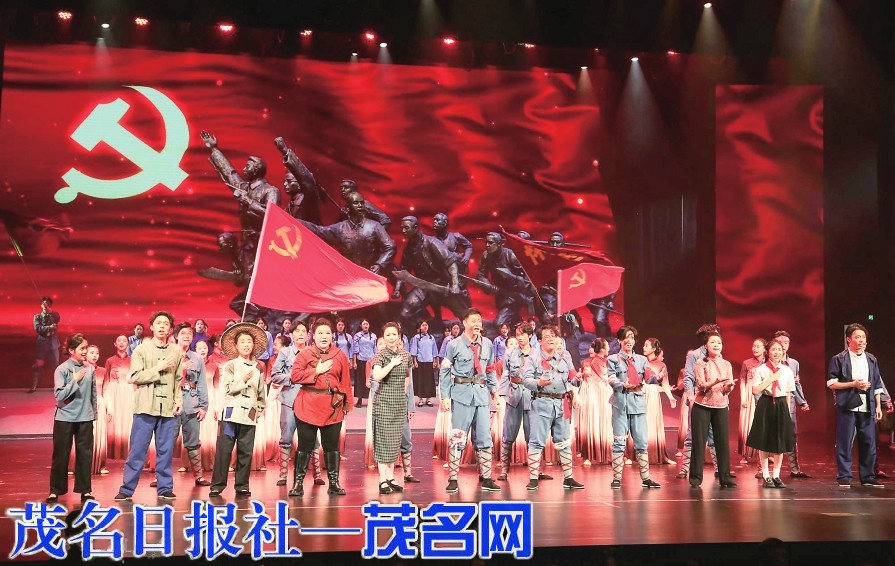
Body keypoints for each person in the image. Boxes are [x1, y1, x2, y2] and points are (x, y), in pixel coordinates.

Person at [114, 312, 184, 501]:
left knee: (165, 451)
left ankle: (165, 487)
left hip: (167, 407)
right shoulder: (141, 350)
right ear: (151, 327)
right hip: (145, 406)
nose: (162, 326)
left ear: (170, 329)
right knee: (137, 450)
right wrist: (158, 368)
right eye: (158, 323)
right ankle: (127, 489)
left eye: (166, 323)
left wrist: (178, 400)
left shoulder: (176, 351)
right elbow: (134, 376)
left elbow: (178, 379)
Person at [289, 318, 354, 496]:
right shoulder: (305, 354)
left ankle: (334, 483)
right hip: (307, 405)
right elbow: (295, 376)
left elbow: (345, 381)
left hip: (332, 407)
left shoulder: (340, 355)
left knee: (332, 446)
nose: (324, 336)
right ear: (313, 336)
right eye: (320, 333)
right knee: (305, 445)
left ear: (332, 335)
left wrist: (347, 404)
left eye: (327, 333)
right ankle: (298, 484)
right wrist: (316, 371)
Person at [439, 308, 501, 493]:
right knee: (458, 437)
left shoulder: (487, 344)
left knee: (484, 437)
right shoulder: (454, 345)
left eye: (479, 321)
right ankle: (453, 479)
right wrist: (445, 396)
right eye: (473, 320)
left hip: (481, 396)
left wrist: (494, 390)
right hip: (461, 395)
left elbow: (490, 369)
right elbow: (445, 371)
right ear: (464, 322)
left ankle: (487, 478)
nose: (477, 324)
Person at [522, 325, 584, 490]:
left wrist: (578, 378)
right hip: (541, 403)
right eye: (546, 336)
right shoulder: (533, 358)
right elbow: (525, 380)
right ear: (539, 341)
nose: (550, 339)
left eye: (553, 336)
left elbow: (572, 377)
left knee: (564, 441)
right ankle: (534, 478)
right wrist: (539, 382)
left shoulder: (565, 356)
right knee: (536, 442)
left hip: (561, 404)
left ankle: (568, 478)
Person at [209, 322, 268, 498]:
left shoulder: (259, 367)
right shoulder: (230, 365)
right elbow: (227, 389)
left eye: (249, 341)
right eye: (242, 341)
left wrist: (259, 409)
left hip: (249, 415)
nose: (246, 345)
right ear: (236, 345)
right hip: (230, 414)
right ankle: (217, 485)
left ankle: (242, 485)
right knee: (224, 450)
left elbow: (261, 393)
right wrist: (243, 380)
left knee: (246, 451)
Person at [827, 323, 885, 488]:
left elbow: (877, 384)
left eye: (863, 337)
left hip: (868, 405)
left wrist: (878, 406)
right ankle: (844, 476)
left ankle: (868, 477)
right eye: (857, 337)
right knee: (845, 441)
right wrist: (853, 384)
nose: (861, 340)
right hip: (848, 404)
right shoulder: (839, 359)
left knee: (869, 441)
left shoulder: (871, 359)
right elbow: (831, 383)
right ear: (848, 339)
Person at [391, 216, 470, 332]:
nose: (403, 231)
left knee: (465, 315)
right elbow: (403, 271)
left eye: (406, 228)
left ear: (416, 228)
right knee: (405, 311)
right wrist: (397, 289)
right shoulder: (408, 249)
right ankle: (406, 336)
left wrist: (455, 284)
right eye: (402, 228)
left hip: (442, 285)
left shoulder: (432, 242)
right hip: (424, 287)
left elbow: (451, 263)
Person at [606, 325, 661, 489]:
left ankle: (646, 478)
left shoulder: (642, 360)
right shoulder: (613, 359)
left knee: (642, 443)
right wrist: (622, 384)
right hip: (620, 404)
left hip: (638, 405)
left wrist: (656, 378)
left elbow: (648, 376)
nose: (629, 340)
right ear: (619, 340)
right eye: (626, 337)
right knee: (619, 443)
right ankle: (617, 478)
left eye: (631, 337)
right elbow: (611, 378)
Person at [270, 321, 324, 487]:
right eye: (297, 331)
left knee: (312, 438)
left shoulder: (314, 352)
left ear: (308, 335)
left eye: (303, 331)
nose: (300, 334)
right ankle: (283, 475)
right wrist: (293, 377)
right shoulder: (285, 352)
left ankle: (317, 475)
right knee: (286, 438)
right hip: (289, 400)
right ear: (291, 334)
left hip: (310, 402)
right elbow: (275, 375)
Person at [47, 333, 96, 503]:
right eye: (82, 348)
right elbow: (59, 395)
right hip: (65, 418)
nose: (85, 351)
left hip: (85, 417)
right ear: (71, 350)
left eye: (86, 348)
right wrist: (74, 380)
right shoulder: (62, 369)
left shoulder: (89, 368)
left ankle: (85, 490)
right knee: (61, 455)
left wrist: (94, 413)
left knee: (85, 455)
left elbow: (93, 393)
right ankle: (55, 490)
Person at [689, 331, 737, 489]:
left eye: (719, 342)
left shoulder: (727, 364)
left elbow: (726, 390)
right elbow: (701, 385)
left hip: (721, 406)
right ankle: (696, 477)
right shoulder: (700, 363)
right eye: (713, 342)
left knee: (722, 442)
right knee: (699, 442)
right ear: (706, 345)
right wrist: (715, 381)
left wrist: (729, 386)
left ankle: (725, 477)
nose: (717, 345)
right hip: (702, 406)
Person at [370, 322, 414, 494]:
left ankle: (390, 477)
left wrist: (403, 393)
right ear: (383, 337)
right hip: (383, 402)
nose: (391, 338)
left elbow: (407, 376)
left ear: (399, 336)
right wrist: (392, 364)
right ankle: (382, 480)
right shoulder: (381, 355)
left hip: (399, 402)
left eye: (394, 334)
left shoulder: (406, 355)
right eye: (387, 335)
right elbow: (377, 376)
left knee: (395, 442)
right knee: (383, 441)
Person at [747, 338, 795, 488]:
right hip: (766, 403)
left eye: (779, 350)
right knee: (764, 440)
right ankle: (766, 475)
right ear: (768, 352)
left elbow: (788, 392)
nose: (777, 352)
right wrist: (771, 379)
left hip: (781, 404)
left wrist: (787, 411)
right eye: (774, 349)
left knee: (780, 441)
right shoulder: (761, 369)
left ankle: (776, 475)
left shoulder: (786, 370)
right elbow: (755, 389)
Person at [171, 322, 210, 487]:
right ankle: (161, 477)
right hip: (172, 403)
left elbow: (201, 383)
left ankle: (198, 476)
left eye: (189, 334)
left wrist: (203, 406)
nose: (186, 336)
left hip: (191, 403)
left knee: (193, 441)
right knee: (167, 442)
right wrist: (179, 369)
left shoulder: (197, 358)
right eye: (183, 333)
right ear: (176, 336)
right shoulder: (169, 354)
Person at [773, 330, 812, 478]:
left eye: (786, 342)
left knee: (791, 435)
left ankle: (795, 469)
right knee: (771, 435)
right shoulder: (768, 363)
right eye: (780, 342)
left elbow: (796, 384)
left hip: (789, 404)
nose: (783, 345)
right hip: (773, 403)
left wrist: (802, 401)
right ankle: (765, 471)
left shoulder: (794, 364)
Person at [642, 338, 677, 465]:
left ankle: (659, 455)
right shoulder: (641, 361)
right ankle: (633, 455)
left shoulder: (662, 365)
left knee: (653, 422)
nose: (644, 347)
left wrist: (670, 397)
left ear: (653, 349)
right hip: (641, 392)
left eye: (646, 345)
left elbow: (665, 384)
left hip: (653, 395)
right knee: (640, 423)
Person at [104, 334, 132, 460]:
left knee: (127, 421)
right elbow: (106, 381)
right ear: (115, 344)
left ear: (128, 344)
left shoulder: (132, 360)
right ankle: (113, 453)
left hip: (128, 393)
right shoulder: (109, 361)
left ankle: (127, 452)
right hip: (114, 393)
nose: (121, 343)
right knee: (114, 421)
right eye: (119, 341)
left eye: (124, 341)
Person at [738, 338, 766, 465]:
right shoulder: (747, 363)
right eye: (754, 346)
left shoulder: (768, 363)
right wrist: (744, 398)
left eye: (758, 346)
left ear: (764, 349)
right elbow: (742, 381)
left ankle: (764, 453)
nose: (755, 348)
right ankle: (745, 454)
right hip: (750, 394)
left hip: (763, 393)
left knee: (763, 424)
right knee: (747, 424)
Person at [85, 344, 110, 475]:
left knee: (99, 435)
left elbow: (106, 390)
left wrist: (108, 408)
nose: (95, 355)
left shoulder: (103, 371)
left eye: (97, 353)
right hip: (85, 404)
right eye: (92, 352)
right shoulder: (81, 369)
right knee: (85, 434)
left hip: (99, 404)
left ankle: (100, 465)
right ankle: (78, 465)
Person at [31, 296, 61, 392]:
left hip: (53, 344)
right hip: (42, 344)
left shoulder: (55, 315)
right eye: (43, 303)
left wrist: (49, 311)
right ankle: (34, 385)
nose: (44, 305)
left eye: (47, 303)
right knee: (38, 365)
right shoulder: (37, 317)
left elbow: (57, 318)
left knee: (55, 366)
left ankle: (57, 386)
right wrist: (49, 327)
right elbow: (37, 328)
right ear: (41, 305)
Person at [409, 320, 438, 407]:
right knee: (421, 381)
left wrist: (435, 361)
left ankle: (428, 399)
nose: (425, 327)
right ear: (420, 327)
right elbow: (414, 350)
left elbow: (434, 350)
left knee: (429, 381)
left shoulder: (431, 338)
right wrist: (415, 361)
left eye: (426, 325)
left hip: (429, 361)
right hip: (420, 362)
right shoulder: (417, 337)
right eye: (423, 325)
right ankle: (420, 399)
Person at [352, 320, 377, 407]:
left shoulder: (373, 336)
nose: (366, 325)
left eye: (367, 324)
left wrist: (376, 360)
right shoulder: (357, 336)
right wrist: (354, 362)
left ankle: (372, 400)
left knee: (372, 379)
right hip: (360, 360)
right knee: (360, 380)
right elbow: (355, 350)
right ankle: (359, 400)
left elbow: (375, 349)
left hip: (371, 360)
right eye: (364, 324)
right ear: (361, 325)